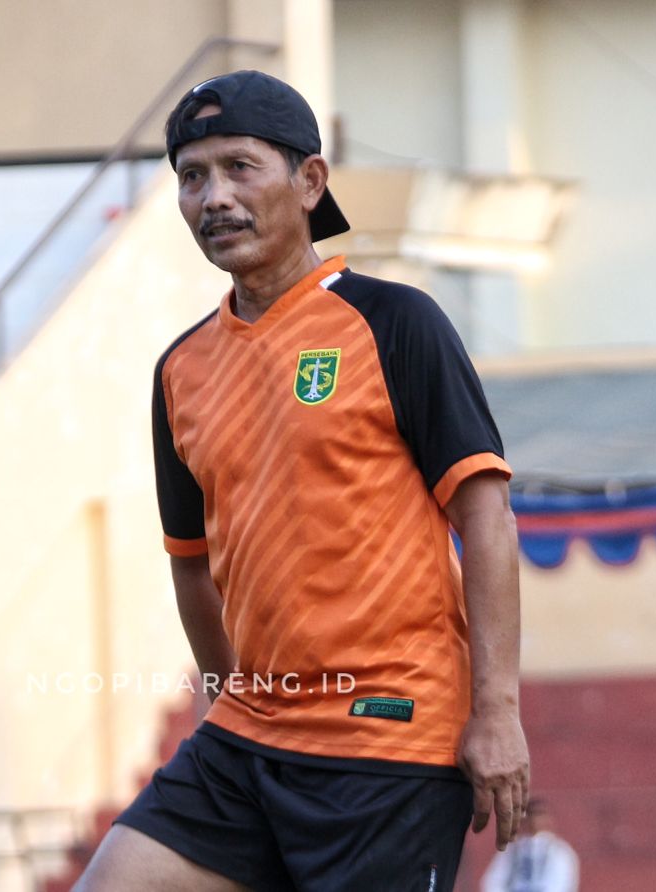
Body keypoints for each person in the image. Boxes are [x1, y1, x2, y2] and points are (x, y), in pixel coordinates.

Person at [77, 70, 528, 892]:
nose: (213, 196)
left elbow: (487, 516)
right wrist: (225, 702)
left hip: (389, 738)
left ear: (309, 181)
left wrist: (497, 712)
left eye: (239, 167)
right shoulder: (180, 368)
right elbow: (190, 561)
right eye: (192, 175)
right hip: (250, 737)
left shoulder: (395, 321)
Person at [479, 798, 579, 892]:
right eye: (531, 814)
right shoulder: (513, 849)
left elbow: (563, 882)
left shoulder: (559, 850)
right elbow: (494, 880)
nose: (535, 820)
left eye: (540, 814)